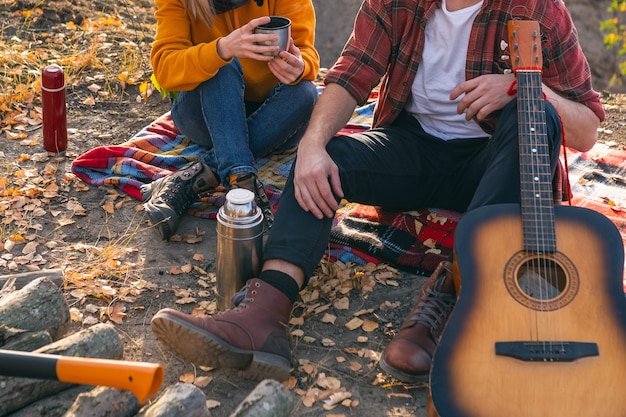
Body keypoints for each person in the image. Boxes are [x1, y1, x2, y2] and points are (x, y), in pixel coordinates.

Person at [150, 0, 604, 383]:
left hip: (493, 165)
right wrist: (311, 146)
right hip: (412, 149)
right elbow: (349, 77)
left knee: (536, 116)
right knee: (324, 156)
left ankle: (447, 298)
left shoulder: (537, 10)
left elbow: (586, 130)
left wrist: (521, 88)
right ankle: (265, 311)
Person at [142, 0, 320, 239]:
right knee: (222, 63)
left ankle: (197, 178)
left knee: (306, 92)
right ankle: (242, 185)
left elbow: (308, 54)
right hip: (204, 114)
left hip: (271, 113)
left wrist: (300, 67)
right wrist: (221, 49)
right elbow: (164, 68)